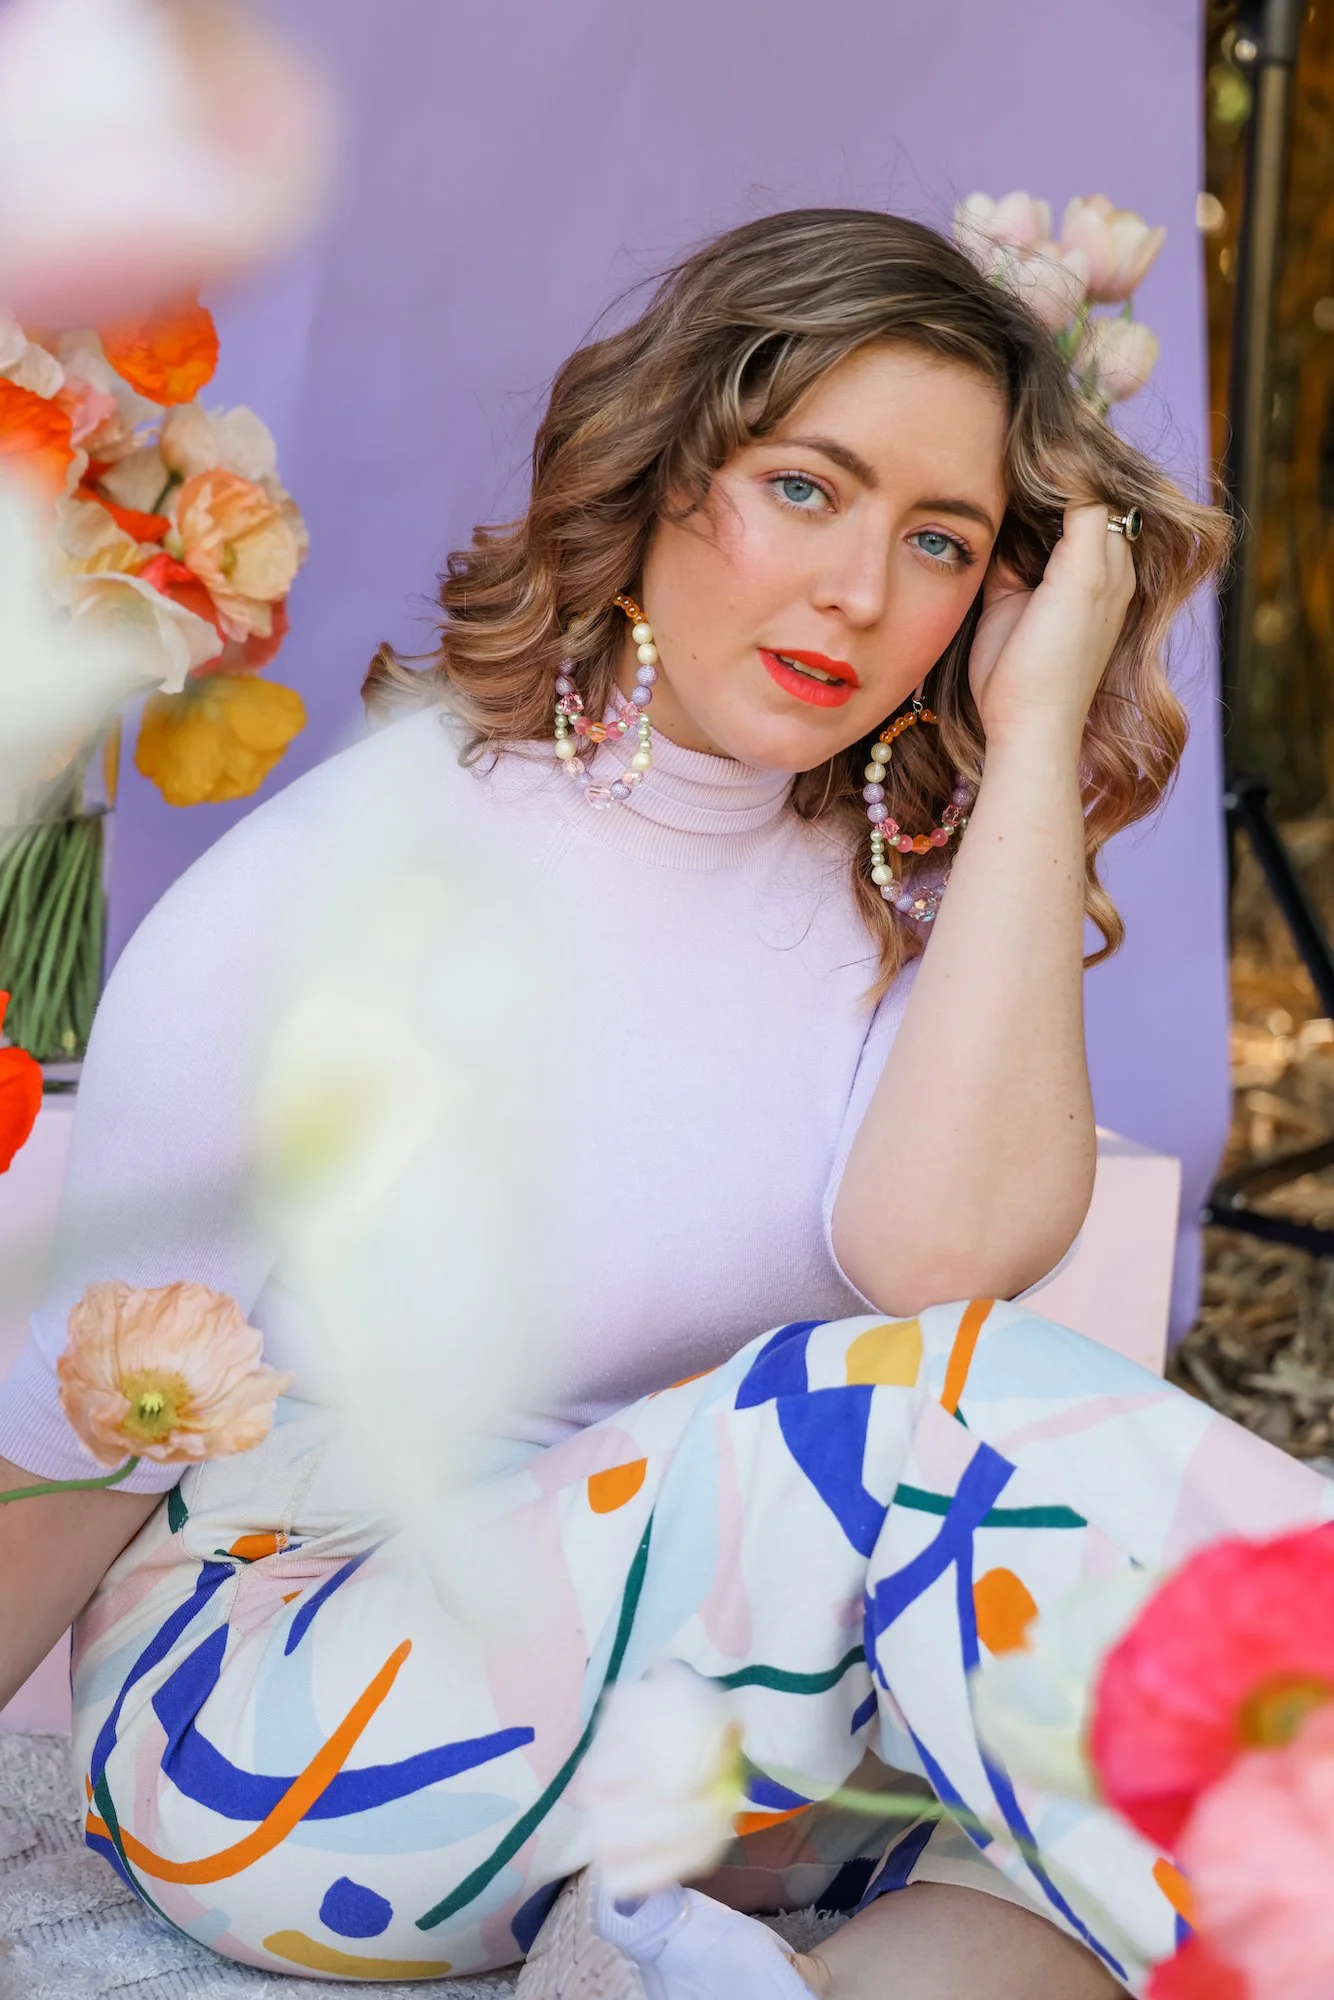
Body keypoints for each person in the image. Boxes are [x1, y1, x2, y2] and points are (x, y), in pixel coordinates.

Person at [0, 208, 1326, 2000]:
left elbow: (938, 1251)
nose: (860, 590)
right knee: (890, 1421)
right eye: (804, 488)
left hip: (682, 1734)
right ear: (656, 471)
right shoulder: (344, 886)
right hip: (282, 1720)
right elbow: (64, 1439)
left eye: (935, 540)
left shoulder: (905, 907)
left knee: (1058, 1896)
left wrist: (1032, 751)